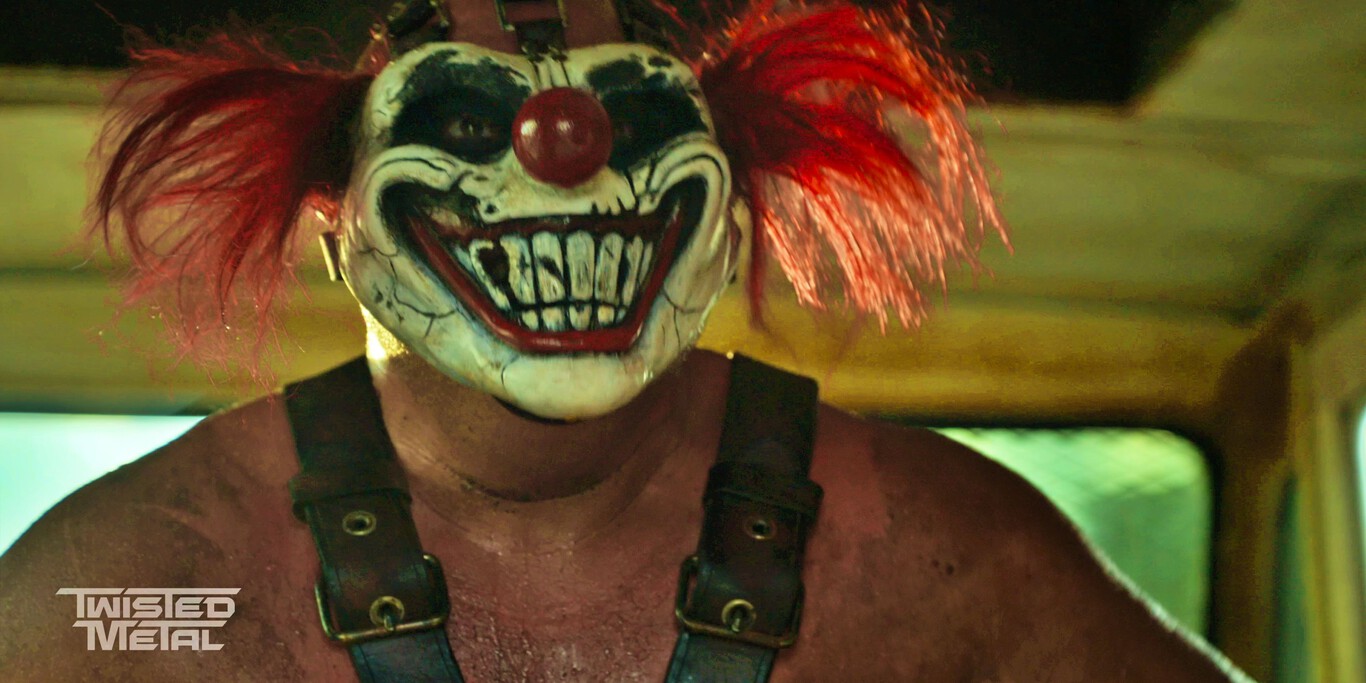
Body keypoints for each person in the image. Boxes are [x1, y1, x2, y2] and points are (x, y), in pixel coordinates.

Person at [0, 0, 1254, 680]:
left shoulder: (956, 557)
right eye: (463, 124)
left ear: (726, 212)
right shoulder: (141, 591)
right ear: (341, 232)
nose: (562, 151)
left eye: (635, 121)